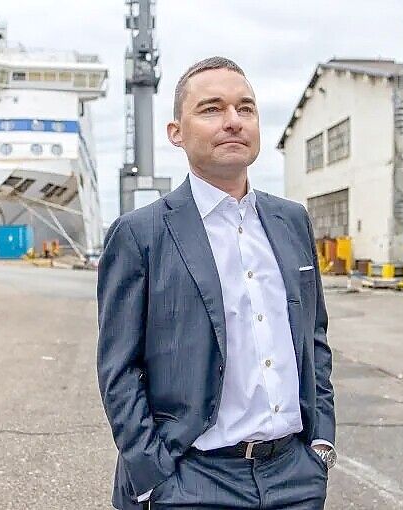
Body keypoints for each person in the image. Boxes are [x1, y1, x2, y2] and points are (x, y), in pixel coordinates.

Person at [97, 56, 336, 510]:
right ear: (176, 132)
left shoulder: (291, 220)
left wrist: (320, 442)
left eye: (245, 109)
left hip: (294, 477)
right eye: (211, 109)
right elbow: (119, 369)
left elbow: (314, 339)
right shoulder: (140, 234)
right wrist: (152, 472)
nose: (233, 122)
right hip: (193, 479)